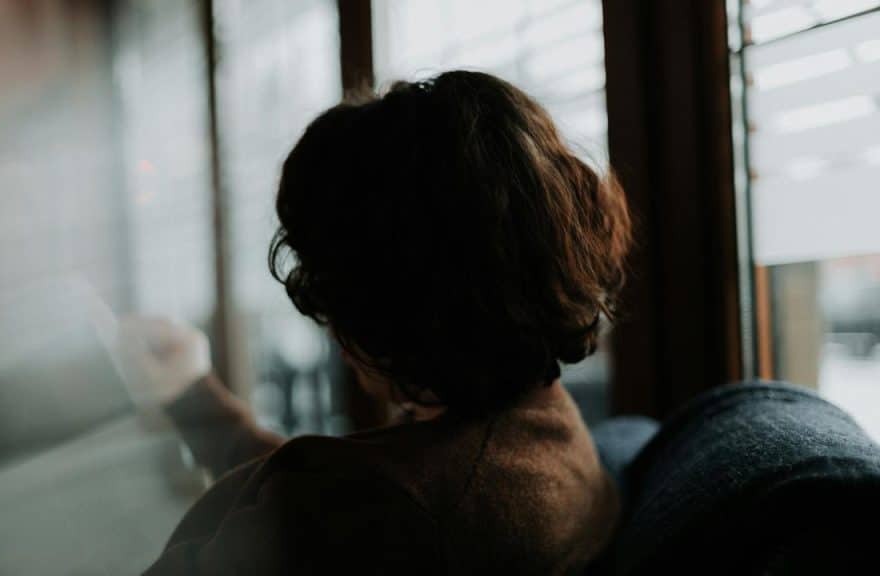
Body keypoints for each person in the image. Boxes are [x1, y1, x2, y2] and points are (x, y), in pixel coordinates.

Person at [132, 70, 632, 575]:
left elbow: (353, 511)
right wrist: (191, 393)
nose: (332, 330)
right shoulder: (537, 429)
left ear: (395, 296)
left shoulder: (390, 514)